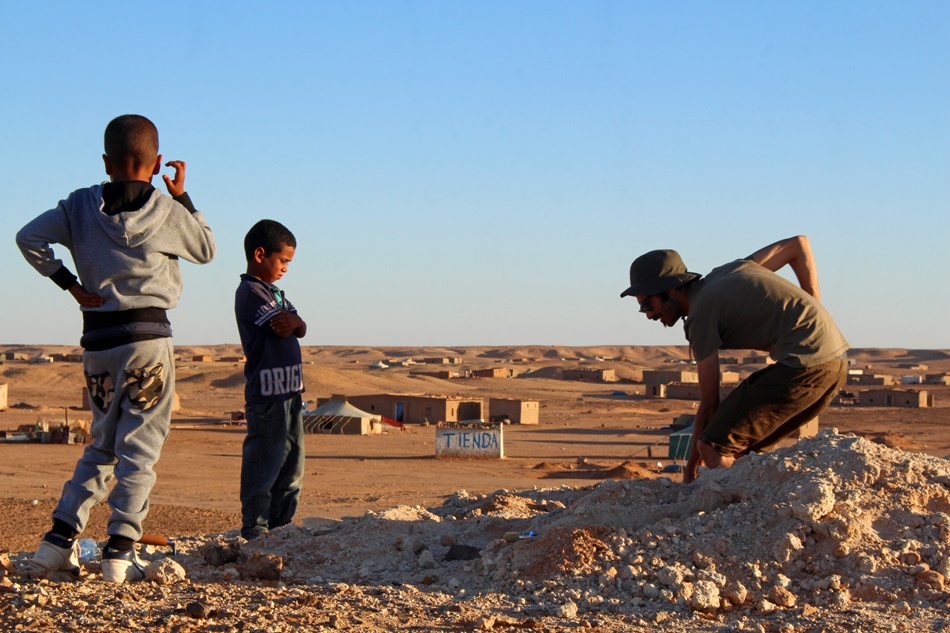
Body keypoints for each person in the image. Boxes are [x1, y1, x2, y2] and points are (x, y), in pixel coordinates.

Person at [16, 114, 216, 582]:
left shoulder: (80, 206)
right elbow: (206, 248)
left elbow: (28, 237)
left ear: (106, 163)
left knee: (102, 443)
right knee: (140, 449)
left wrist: (68, 282)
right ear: (159, 162)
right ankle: (120, 551)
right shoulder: (167, 211)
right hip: (147, 342)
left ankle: (57, 542)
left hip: (99, 342)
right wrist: (182, 194)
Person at [620, 236, 849, 483]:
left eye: (648, 305)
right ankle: (754, 508)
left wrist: (689, 473)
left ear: (671, 289)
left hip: (804, 367)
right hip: (835, 362)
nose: (649, 315)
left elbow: (709, 404)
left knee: (713, 447)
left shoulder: (700, 317)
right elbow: (798, 245)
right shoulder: (730, 270)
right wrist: (815, 307)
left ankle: (732, 514)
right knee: (738, 448)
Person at [234, 220, 307, 540]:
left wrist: (296, 321)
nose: (286, 268)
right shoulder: (250, 292)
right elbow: (282, 324)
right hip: (267, 396)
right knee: (265, 461)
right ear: (260, 254)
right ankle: (257, 527)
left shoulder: (275, 292)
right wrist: (293, 321)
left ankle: (282, 526)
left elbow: (299, 325)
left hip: (290, 392)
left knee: (292, 464)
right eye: (283, 261)